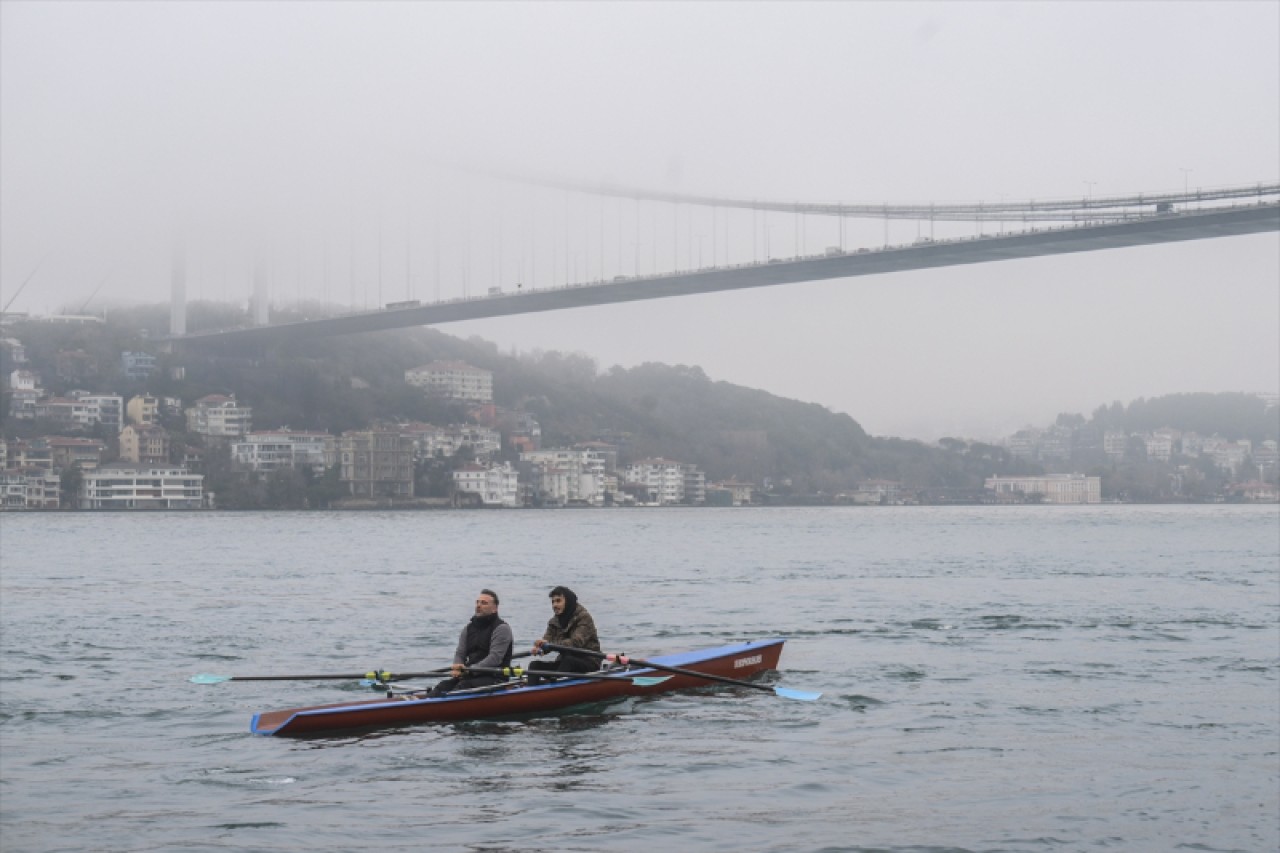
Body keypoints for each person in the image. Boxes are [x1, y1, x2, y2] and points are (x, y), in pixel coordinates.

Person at [427, 589, 515, 697]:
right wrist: (457, 667)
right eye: (477, 602)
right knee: (442, 686)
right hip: (470, 674)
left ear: (494, 609)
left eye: (484, 603)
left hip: (494, 677)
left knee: (463, 686)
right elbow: (460, 653)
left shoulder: (502, 629)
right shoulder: (468, 628)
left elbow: (495, 658)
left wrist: (470, 670)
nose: (478, 605)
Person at [527, 586, 602, 684]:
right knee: (534, 666)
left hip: (589, 662)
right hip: (565, 663)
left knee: (568, 660)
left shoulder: (583, 617)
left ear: (568, 602)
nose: (554, 605)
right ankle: (533, 693)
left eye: (558, 601)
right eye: (553, 602)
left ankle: (555, 689)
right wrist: (540, 648)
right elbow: (547, 640)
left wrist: (550, 645)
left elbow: (575, 643)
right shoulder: (554, 622)